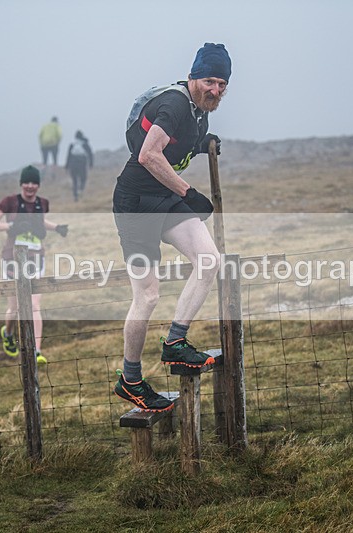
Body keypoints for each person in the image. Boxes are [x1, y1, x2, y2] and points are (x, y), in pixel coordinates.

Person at [112, 43, 231, 412]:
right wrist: (188, 192)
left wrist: (201, 145)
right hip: (135, 202)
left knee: (209, 260)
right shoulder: (177, 103)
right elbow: (148, 154)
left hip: (163, 198)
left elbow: (176, 144)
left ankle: (175, 346)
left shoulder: (198, 113)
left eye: (223, 84)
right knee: (147, 296)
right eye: (210, 80)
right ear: (193, 76)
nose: (215, 90)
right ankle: (130, 380)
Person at [0, 165, 69, 365]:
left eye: (34, 182)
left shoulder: (42, 204)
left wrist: (57, 227)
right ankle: (8, 332)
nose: (30, 186)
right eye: (27, 182)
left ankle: (36, 351)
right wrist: (11, 226)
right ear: (21, 183)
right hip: (12, 259)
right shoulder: (9, 202)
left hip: (36, 259)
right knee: (14, 308)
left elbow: (41, 222)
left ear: (38, 185)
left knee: (34, 305)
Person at [64, 130, 94, 202]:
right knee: (83, 178)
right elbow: (90, 154)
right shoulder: (85, 144)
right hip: (82, 163)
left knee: (74, 181)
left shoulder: (72, 144)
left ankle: (75, 196)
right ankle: (81, 190)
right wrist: (91, 164)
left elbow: (68, 155)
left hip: (73, 163)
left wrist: (67, 166)